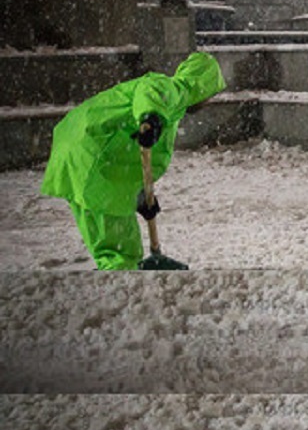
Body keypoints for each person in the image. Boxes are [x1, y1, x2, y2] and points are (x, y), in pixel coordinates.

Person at [40, 52, 227, 270]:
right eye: (210, 94)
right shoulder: (169, 88)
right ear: (203, 85)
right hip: (95, 157)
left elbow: (133, 156)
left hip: (82, 152)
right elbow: (150, 95)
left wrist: (139, 196)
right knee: (120, 250)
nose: (208, 101)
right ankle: (122, 287)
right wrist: (150, 118)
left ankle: (118, 278)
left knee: (108, 237)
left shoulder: (172, 106)